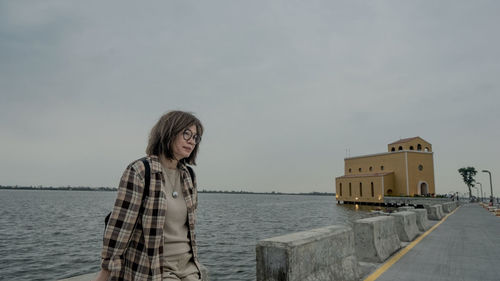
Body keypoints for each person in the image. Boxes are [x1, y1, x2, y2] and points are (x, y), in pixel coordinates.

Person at [94, 111, 204, 281]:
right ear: (169, 132)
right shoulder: (140, 171)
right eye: (186, 133)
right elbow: (121, 226)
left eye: (196, 137)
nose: (191, 141)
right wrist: (106, 271)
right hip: (156, 268)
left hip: (189, 267)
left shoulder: (189, 175)